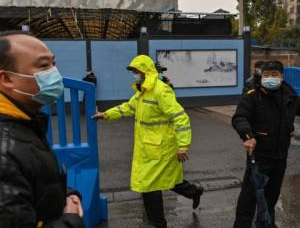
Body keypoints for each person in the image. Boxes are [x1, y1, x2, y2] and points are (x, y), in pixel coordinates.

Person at [93, 55, 203, 228]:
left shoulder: (161, 90)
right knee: (166, 180)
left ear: (146, 71)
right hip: (148, 147)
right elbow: (128, 107)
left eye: (137, 71)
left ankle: (158, 224)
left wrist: (183, 145)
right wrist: (106, 115)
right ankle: (195, 191)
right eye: (134, 72)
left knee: (149, 186)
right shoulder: (142, 91)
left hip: (162, 148)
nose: (135, 75)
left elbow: (180, 117)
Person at [0, 32, 84, 228]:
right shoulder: (5, 150)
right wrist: (71, 220)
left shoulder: (23, 122)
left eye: (53, 63)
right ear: (6, 78)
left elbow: (29, 180)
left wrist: (65, 193)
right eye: (44, 65)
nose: (55, 73)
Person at [232, 60, 300, 228]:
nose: (270, 78)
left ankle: (266, 223)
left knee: (271, 196)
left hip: (280, 156)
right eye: (267, 75)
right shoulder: (253, 95)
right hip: (259, 155)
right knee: (249, 197)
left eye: (274, 74)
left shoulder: (290, 96)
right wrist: (247, 135)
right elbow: (240, 117)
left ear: (282, 77)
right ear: (261, 76)